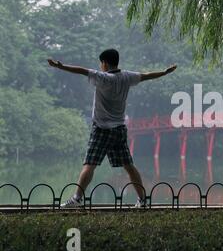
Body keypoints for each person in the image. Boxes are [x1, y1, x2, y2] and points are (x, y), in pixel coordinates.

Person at [47, 49, 177, 208]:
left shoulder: (102, 77)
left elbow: (81, 71)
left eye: (100, 63)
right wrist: (164, 72)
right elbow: (146, 75)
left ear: (105, 63)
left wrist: (61, 67)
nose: (100, 66)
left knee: (90, 164)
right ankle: (143, 201)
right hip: (119, 130)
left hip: (101, 129)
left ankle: (76, 199)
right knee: (129, 166)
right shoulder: (127, 77)